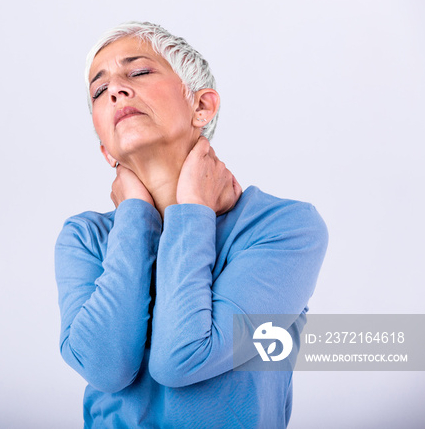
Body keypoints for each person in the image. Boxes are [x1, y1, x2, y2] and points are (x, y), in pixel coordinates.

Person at [54, 21, 328, 428]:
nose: (115, 90)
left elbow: (183, 356)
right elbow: (104, 367)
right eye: (99, 90)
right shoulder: (85, 238)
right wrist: (135, 218)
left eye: (139, 71)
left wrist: (192, 211)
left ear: (202, 106)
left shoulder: (284, 228)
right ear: (103, 148)